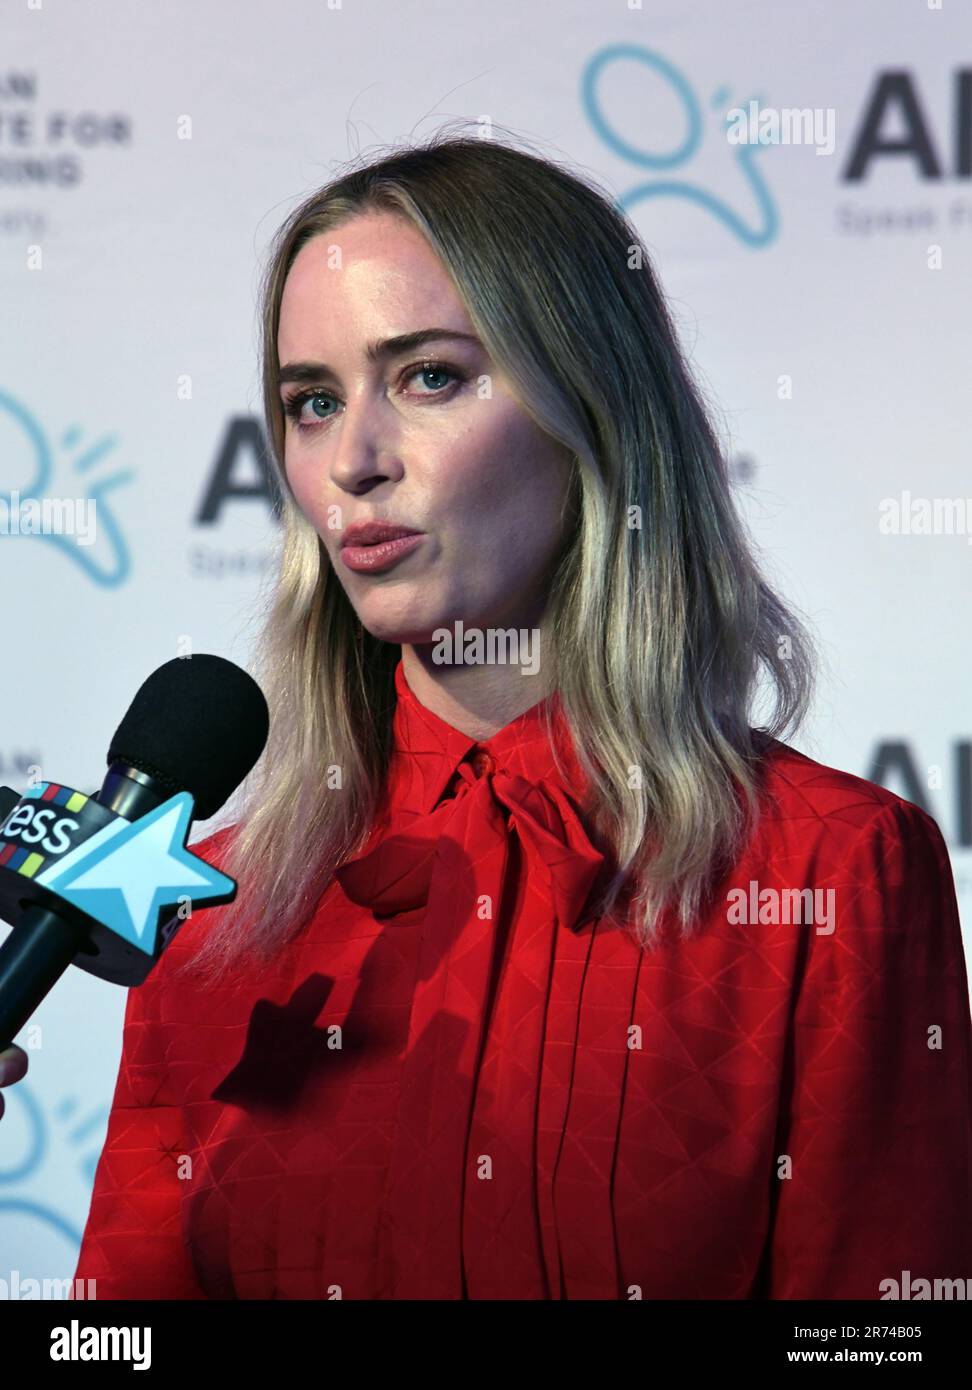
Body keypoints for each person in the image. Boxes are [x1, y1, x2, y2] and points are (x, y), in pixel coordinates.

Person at [5, 127, 970, 1299]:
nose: (355, 459)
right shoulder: (200, 912)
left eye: (430, 377)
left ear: (595, 411)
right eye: (311, 401)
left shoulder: (837, 868)